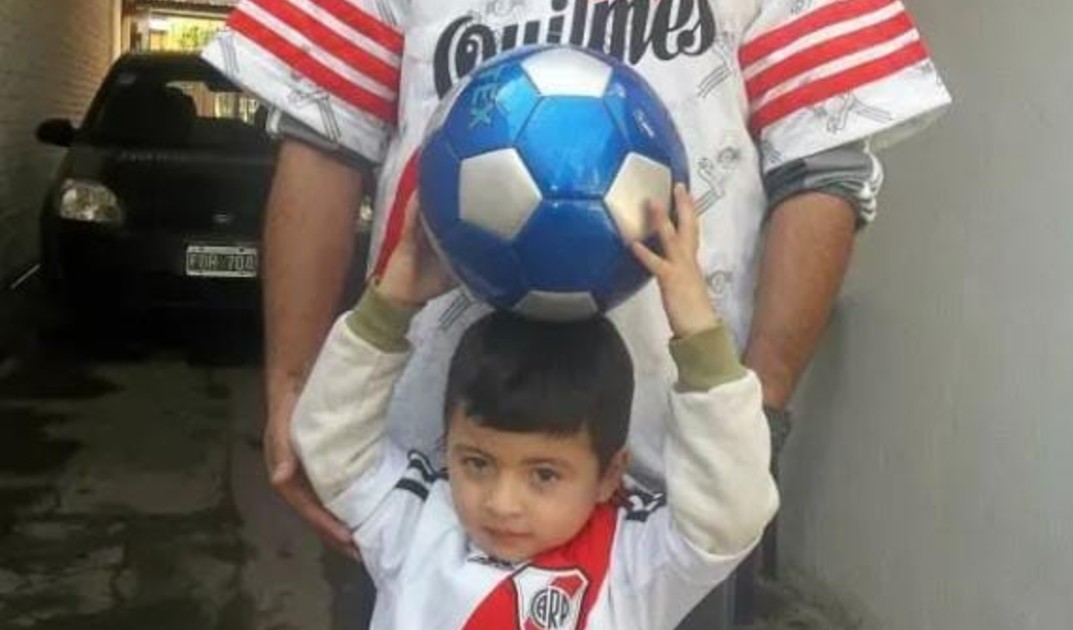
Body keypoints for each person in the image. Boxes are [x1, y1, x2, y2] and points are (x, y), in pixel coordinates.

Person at [201, 0, 951, 613]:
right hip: (431, 457)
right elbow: (323, 135)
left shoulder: (675, 549)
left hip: (673, 478)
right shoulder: (409, 519)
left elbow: (823, 160)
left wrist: (759, 416)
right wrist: (293, 384)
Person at [292, 186, 778, 629]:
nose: (501, 503)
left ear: (610, 475)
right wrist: (390, 305)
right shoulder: (417, 521)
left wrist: (699, 334)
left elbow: (729, 517)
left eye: (544, 474)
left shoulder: (635, 560)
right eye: (477, 463)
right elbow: (331, 447)